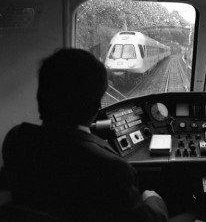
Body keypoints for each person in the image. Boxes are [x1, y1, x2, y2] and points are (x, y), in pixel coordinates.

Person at [1, 48, 168, 221]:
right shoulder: (112, 169)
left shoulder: (17, 140)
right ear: (97, 106)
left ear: (40, 96)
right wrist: (153, 199)